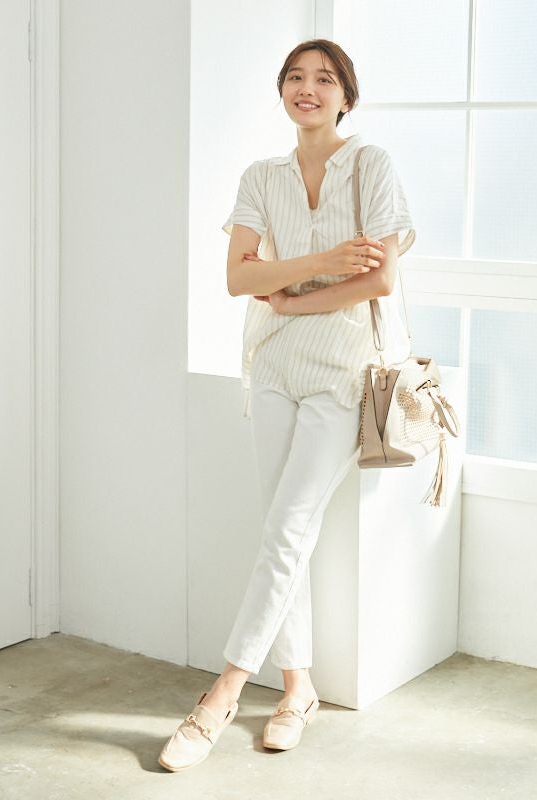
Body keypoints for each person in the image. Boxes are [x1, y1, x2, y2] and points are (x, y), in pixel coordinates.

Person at [158, 37, 415, 773]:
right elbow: (239, 279)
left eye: (325, 79)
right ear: (281, 92)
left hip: (342, 370)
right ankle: (298, 688)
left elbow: (381, 280)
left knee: (287, 528)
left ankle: (222, 695)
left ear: (346, 97)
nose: (308, 88)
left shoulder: (371, 166)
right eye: (296, 77)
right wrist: (325, 263)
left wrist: (292, 292)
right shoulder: (261, 177)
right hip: (271, 367)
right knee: (283, 529)